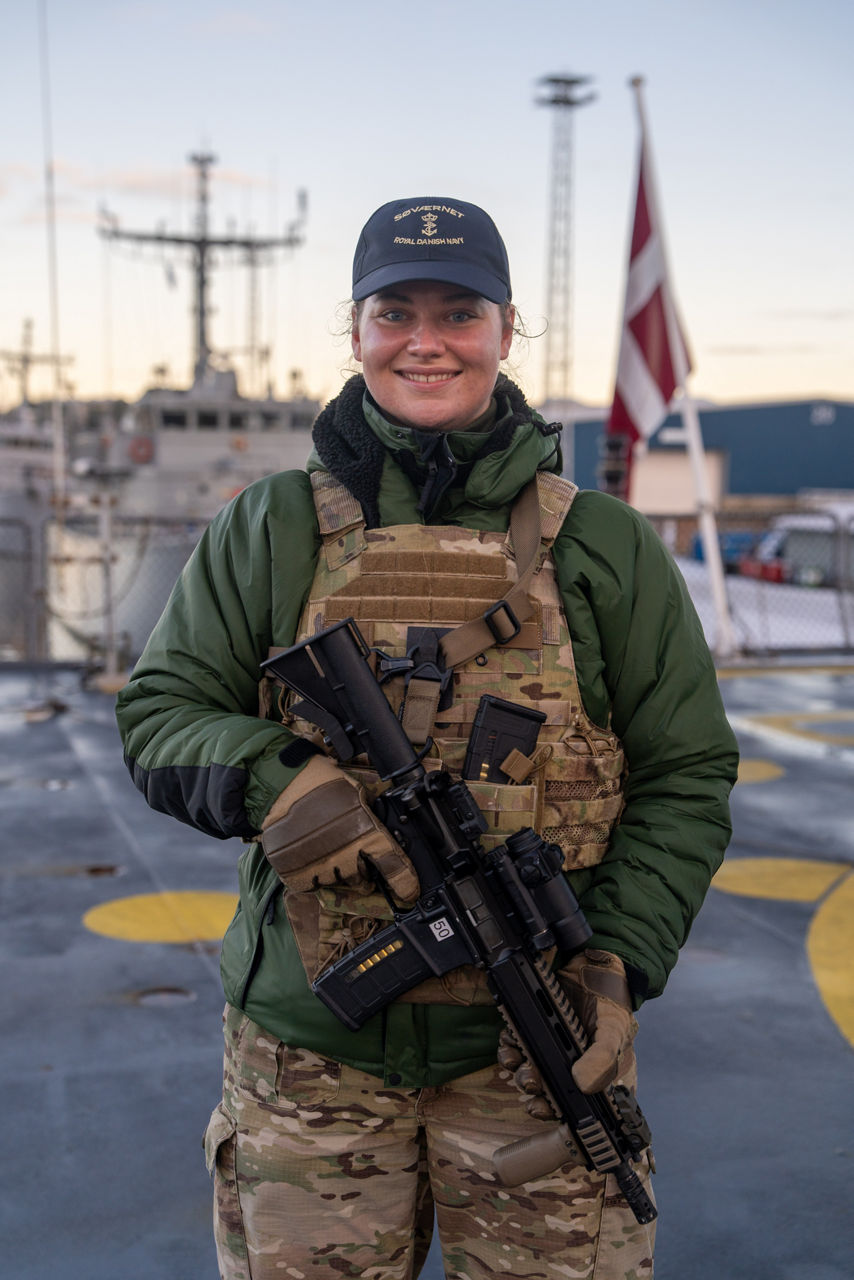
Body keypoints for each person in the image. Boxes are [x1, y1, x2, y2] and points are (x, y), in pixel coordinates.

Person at [116, 196, 739, 1280]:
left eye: (458, 312)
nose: (426, 341)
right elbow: (160, 711)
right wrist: (278, 781)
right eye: (395, 311)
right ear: (355, 329)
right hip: (308, 1060)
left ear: (506, 329)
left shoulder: (603, 546)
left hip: (534, 1055)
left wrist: (618, 958)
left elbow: (686, 773)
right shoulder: (272, 524)